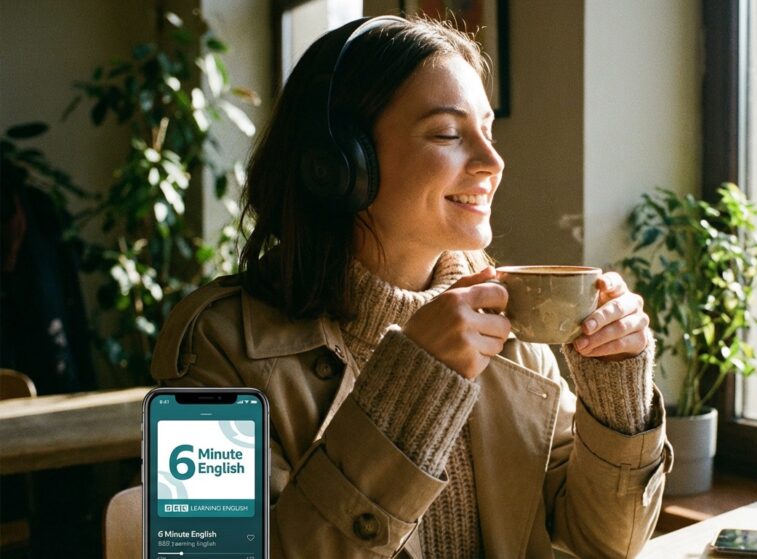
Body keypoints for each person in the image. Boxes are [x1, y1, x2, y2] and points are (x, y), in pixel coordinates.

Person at [151, 15, 671, 558]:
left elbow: (603, 542)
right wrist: (413, 386)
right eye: (448, 133)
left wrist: (618, 398)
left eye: (488, 131)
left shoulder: (507, 323)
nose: (493, 161)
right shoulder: (212, 346)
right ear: (340, 164)